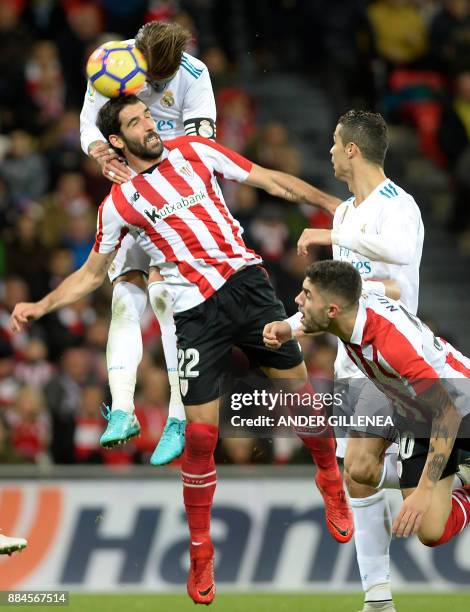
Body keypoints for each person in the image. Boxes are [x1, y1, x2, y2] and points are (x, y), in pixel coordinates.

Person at [10, 95, 352, 605]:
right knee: (199, 437)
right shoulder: (119, 205)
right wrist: (42, 303)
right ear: (117, 142)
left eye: (147, 115)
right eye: (134, 122)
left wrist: (336, 208)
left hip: (247, 285)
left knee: (301, 401)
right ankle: (200, 550)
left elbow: (271, 180)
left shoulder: (194, 149)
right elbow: (92, 274)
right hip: (195, 315)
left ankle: (329, 476)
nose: (148, 124)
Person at [295, 110, 424, 612]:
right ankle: (377, 596)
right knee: (361, 472)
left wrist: (333, 239)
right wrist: (294, 323)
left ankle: (450, 477)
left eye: (333, 143)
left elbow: (398, 265)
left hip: (396, 363)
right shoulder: (345, 213)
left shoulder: (400, 206)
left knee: (413, 494)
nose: (328, 151)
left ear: (352, 149)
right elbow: (342, 295)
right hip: (354, 364)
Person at [80, 21, 218, 465]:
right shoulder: (111, 66)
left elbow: (200, 149)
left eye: (162, 80)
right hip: (132, 194)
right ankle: (122, 409)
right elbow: (89, 126)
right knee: (124, 295)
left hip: (183, 197)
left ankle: (178, 415)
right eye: (148, 78)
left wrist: (142, 154)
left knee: (166, 297)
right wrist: (103, 153)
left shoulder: (195, 77)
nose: (154, 86)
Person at [263, 260, 470, 546]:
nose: (298, 299)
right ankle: (460, 482)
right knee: (430, 531)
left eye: (307, 294)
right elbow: (325, 313)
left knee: (422, 503)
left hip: (459, 406)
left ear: (333, 310)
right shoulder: (351, 305)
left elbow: (447, 414)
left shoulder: (391, 346)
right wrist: (289, 328)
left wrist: (425, 490)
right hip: (416, 411)